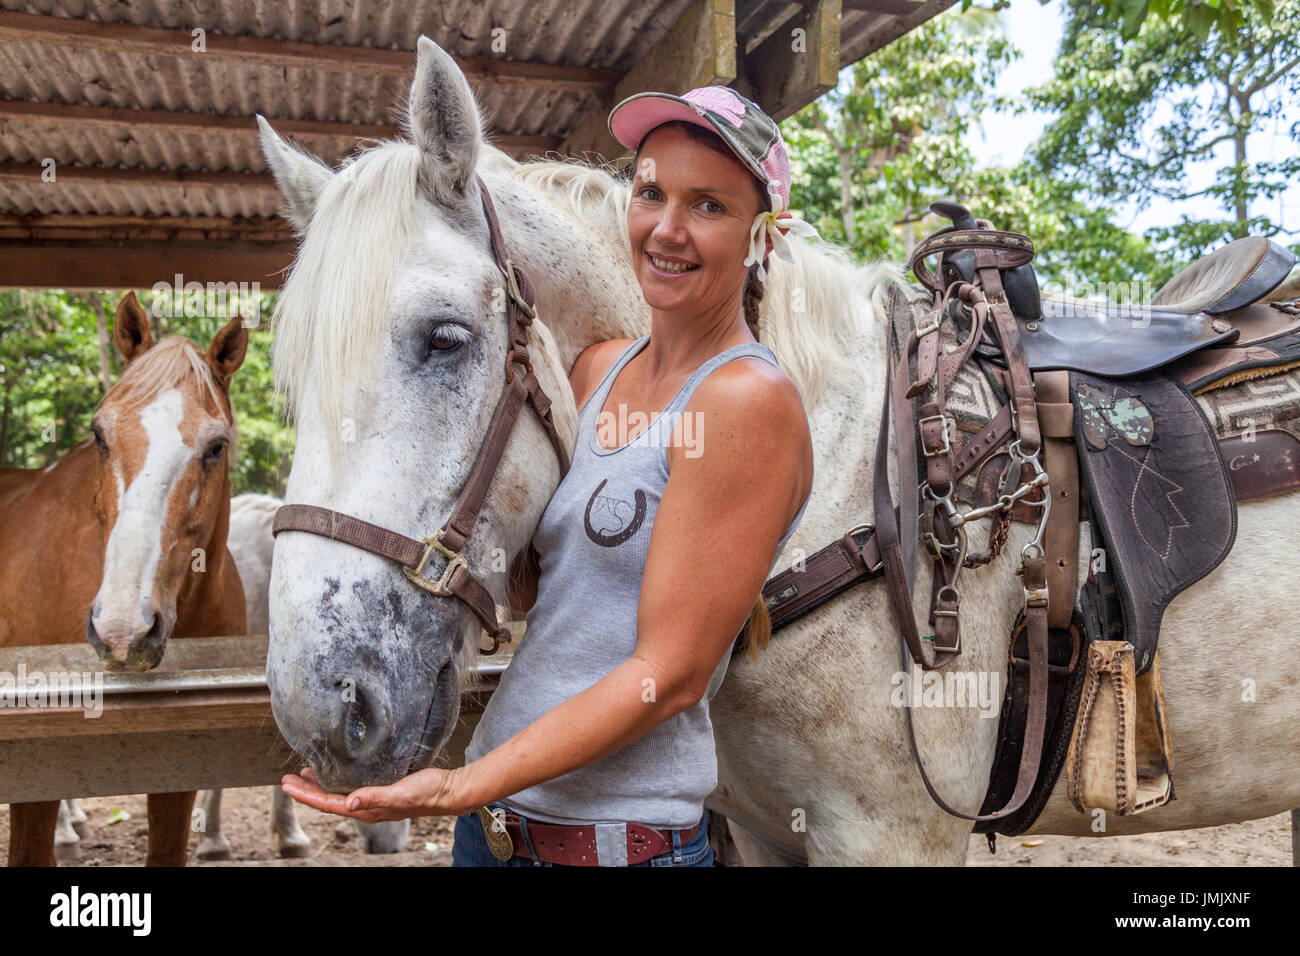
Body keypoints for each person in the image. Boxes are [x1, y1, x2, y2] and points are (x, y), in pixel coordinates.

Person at [282, 86, 819, 867]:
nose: (667, 229)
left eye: (708, 205)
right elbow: (542, 576)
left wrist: (459, 785)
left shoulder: (748, 404)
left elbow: (667, 676)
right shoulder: (598, 373)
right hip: (496, 838)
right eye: (651, 194)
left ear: (761, 234)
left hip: (616, 847)